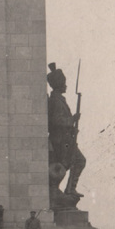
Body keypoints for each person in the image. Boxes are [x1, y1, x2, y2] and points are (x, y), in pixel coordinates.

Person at [47, 63, 86, 198]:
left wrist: (72, 127)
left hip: (66, 138)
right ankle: (66, 189)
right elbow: (56, 121)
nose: (66, 85)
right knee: (76, 161)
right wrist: (72, 120)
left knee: (68, 163)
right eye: (64, 83)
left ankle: (63, 189)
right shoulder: (56, 101)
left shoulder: (59, 99)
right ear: (59, 85)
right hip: (61, 140)